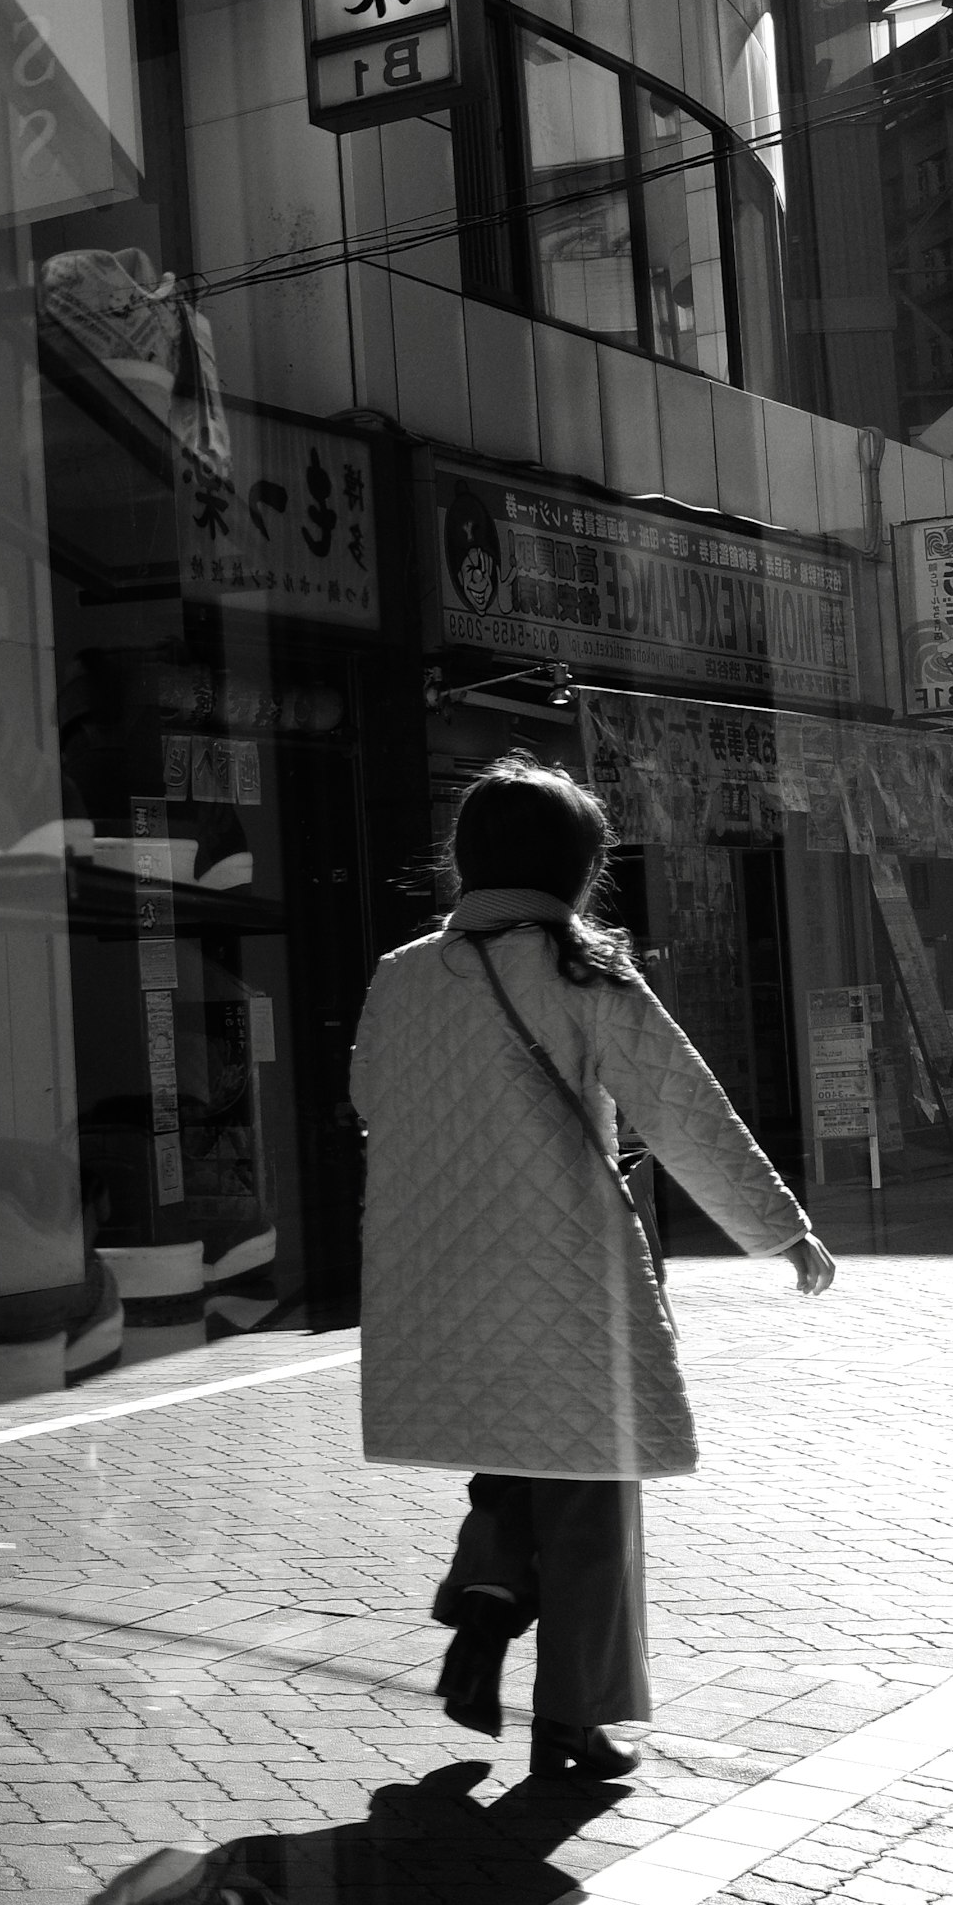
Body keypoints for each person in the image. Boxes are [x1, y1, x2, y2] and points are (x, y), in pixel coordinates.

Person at [349, 759, 835, 1779]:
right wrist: (780, 1229)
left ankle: (485, 1596)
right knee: (590, 1492)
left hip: (435, 1277)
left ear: (468, 861)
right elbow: (685, 1111)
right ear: (576, 867)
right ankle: (577, 1714)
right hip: (561, 1273)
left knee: (511, 1465)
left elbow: (370, 1099)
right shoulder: (581, 971)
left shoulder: (399, 974)